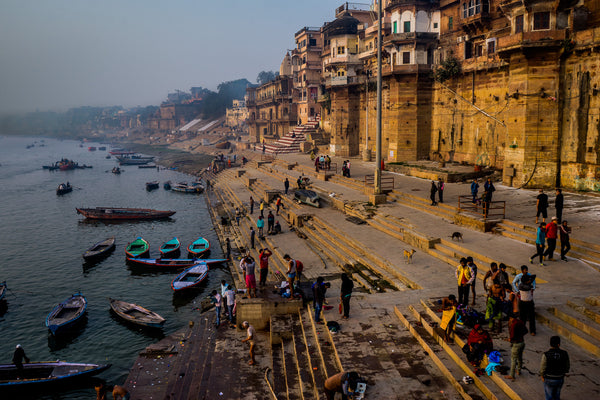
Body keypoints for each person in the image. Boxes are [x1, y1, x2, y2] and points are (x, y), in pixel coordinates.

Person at [504, 315, 528, 380]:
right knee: (520, 357)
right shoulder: (520, 322)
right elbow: (526, 331)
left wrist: (510, 339)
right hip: (522, 342)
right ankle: (519, 370)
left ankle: (512, 375)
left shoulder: (513, 324)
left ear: (511, 318)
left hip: (516, 344)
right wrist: (520, 336)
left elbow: (512, 336)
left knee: (513, 359)